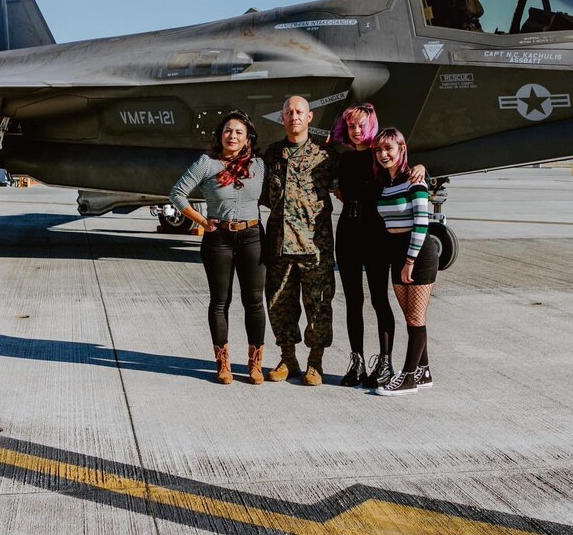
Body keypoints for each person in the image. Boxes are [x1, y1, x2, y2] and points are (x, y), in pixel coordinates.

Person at [329, 103, 426, 388]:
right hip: (347, 234)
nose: (356, 131)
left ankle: (385, 362)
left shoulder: (380, 159)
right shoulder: (344, 160)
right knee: (353, 302)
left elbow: (407, 170)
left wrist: (421, 166)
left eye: (361, 125)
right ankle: (356, 360)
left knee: (379, 300)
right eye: (351, 126)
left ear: (370, 126)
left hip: (376, 237)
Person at [170, 111, 266, 385]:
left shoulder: (259, 165)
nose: (232, 136)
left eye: (238, 132)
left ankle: (254, 363)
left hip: (252, 237)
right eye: (227, 131)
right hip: (218, 239)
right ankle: (223, 363)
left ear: (248, 138)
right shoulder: (207, 163)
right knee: (220, 301)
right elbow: (177, 193)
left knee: (254, 303)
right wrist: (201, 220)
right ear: (220, 136)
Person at [260, 95, 337, 386]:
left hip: (315, 247)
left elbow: (346, 189)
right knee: (280, 304)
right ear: (282, 118)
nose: (294, 116)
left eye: (299, 111)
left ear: (309, 117)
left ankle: (315, 363)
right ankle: (287, 358)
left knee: (318, 306)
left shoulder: (325, 156)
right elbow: (265, 195)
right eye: (288, 112)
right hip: (279, 246)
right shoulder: (272, 155)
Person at [372, 127, 438, 396]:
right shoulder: (386, 183)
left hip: (418, 253)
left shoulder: (415, 181)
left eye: (389, 148)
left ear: (401, 150)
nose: (383, 154)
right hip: (396, 252)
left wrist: (410, 260)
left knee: (416, 317)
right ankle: (424, 371)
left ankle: (408, 377)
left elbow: (422, 223)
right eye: (379, 150)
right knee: (411, 317)